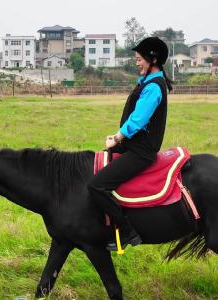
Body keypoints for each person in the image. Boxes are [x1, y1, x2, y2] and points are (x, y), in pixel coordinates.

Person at [88, 37, 172, 249]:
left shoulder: (153, 87)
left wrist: (117, 137)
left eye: (139, 59)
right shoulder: (147, 82)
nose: (136, 63)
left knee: (96, 185)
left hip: (141, 152)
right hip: (132, 146)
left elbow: (138, 119)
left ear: (153, 59)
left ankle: (127, 233)